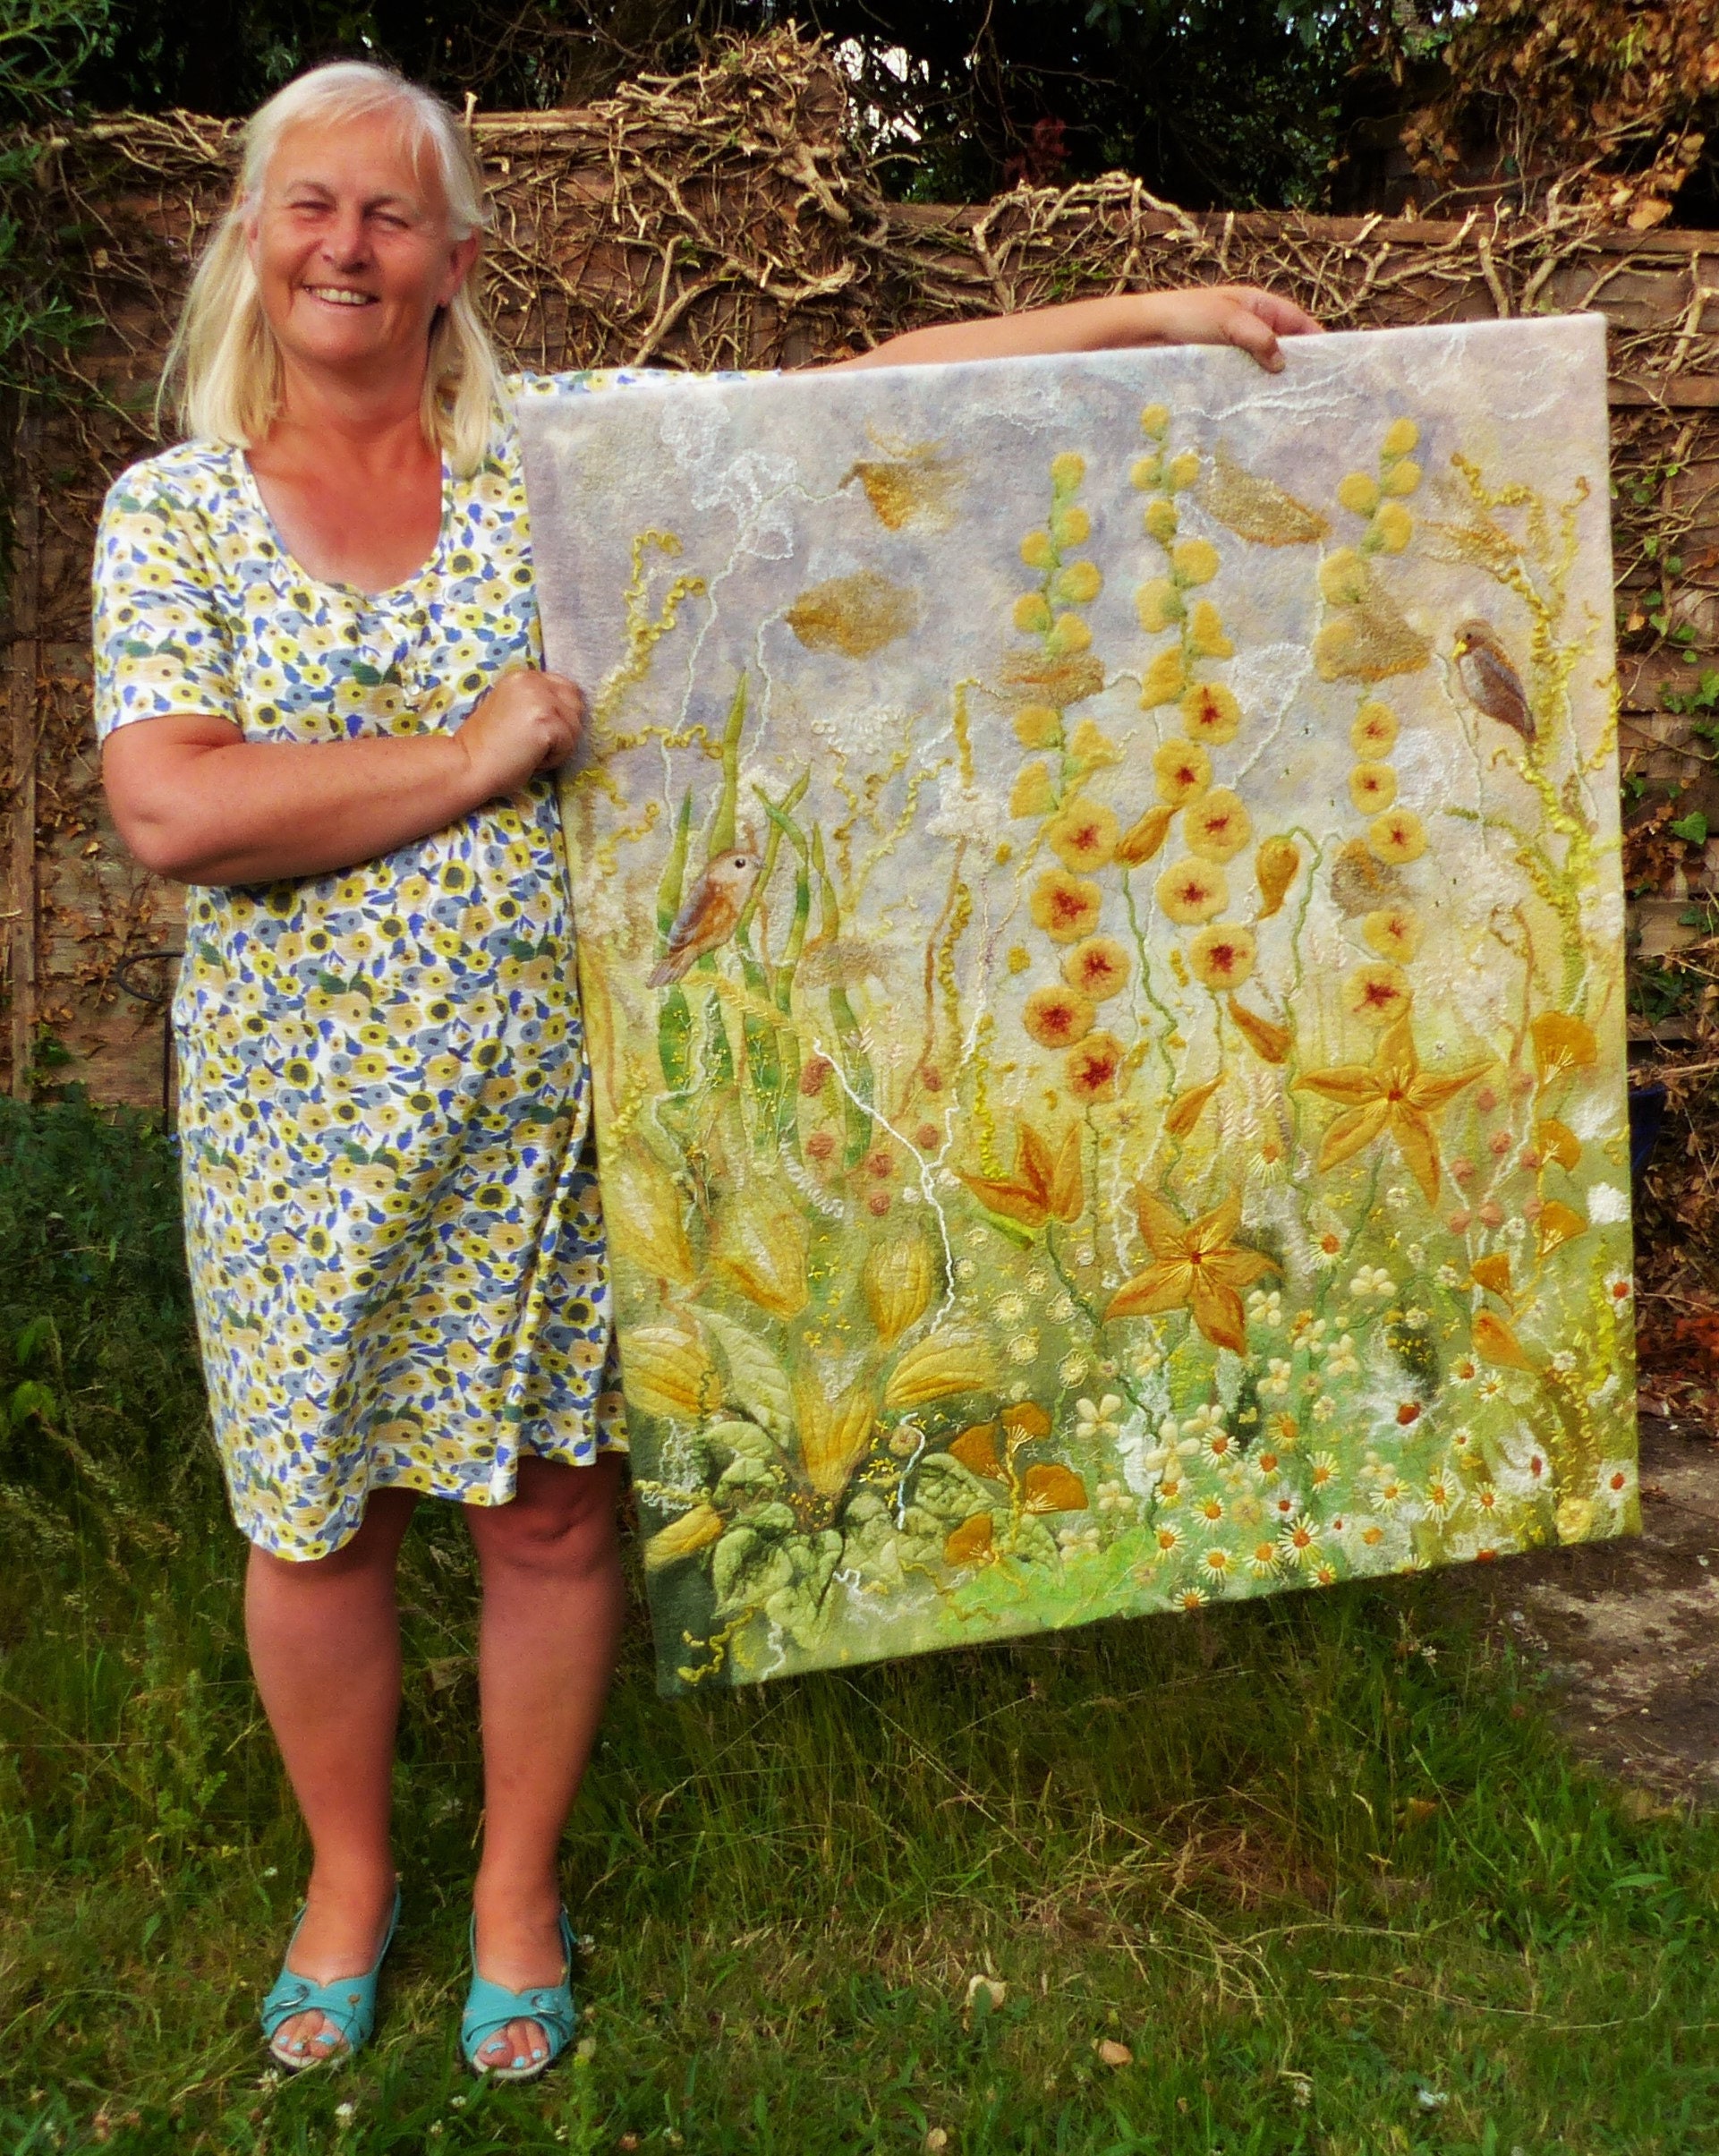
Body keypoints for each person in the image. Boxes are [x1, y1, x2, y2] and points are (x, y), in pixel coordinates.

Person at [93, 57, 1319, 2082]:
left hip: (557, 1106)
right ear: (251, 235)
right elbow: (174, 807)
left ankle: (513, 1892)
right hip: (293, 1131)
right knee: (313, 1519)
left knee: (551, 1517)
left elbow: (848, 398)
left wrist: (1144, 317)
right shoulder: (177, 511)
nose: (345, 246)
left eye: (390, 213)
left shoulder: (551, 463)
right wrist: (473, 755)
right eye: (308, 205)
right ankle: (346, 1879)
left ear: (453, 258)